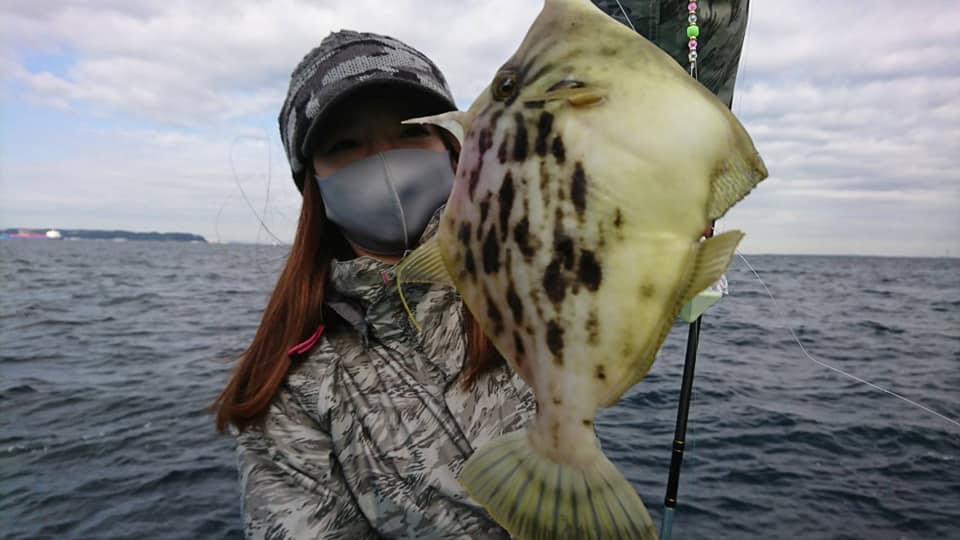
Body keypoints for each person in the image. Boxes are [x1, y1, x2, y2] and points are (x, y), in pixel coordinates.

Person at [213, 31, 534, 539]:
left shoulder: (533, 277)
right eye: (345, 145)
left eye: (410, 131)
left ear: (453, 148)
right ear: (313, 185)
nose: (386, 161)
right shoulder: (291, 394)